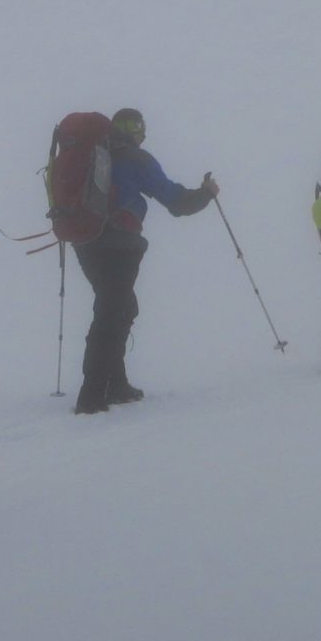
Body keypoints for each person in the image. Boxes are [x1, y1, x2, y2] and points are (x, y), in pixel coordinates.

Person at [71, 108, 218, 415]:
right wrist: (206, 194)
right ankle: (92, 396)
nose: (144, 134)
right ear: (135, 129)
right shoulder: (135, 159)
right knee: (111, 313)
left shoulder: (89, 155)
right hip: (119, 243)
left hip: (84, 240)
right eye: (142, 129)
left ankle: (116, 384)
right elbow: (175, 202)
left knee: (120, 307)